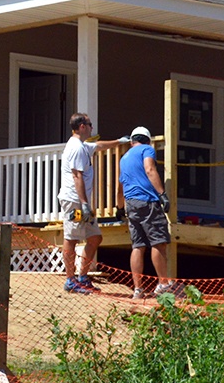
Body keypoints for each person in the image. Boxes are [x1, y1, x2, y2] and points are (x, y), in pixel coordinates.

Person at [58, 113, 120, 294]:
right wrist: (84, 204)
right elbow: (77, 176)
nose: (92, 127)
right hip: (74, 201)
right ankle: (71, 281)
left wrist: (120, 141)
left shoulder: (83, 146)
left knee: (95, 238)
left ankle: (82, 278)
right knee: (71, 238)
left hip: (81, 201)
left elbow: (99, 145)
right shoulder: (76, 148)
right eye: (90, 124)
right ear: (82, 126)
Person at [119, 126, 174, 298]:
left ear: (132, 141)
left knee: (138, 246)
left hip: (131, 204)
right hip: (147, 202)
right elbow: (150, 169)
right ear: (147, 140)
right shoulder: (147, 149)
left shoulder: (124, 158)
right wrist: (162, 194)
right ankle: (163, 283)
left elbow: (120, 186)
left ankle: (138, 289)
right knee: (158, 242)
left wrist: (119, 207)